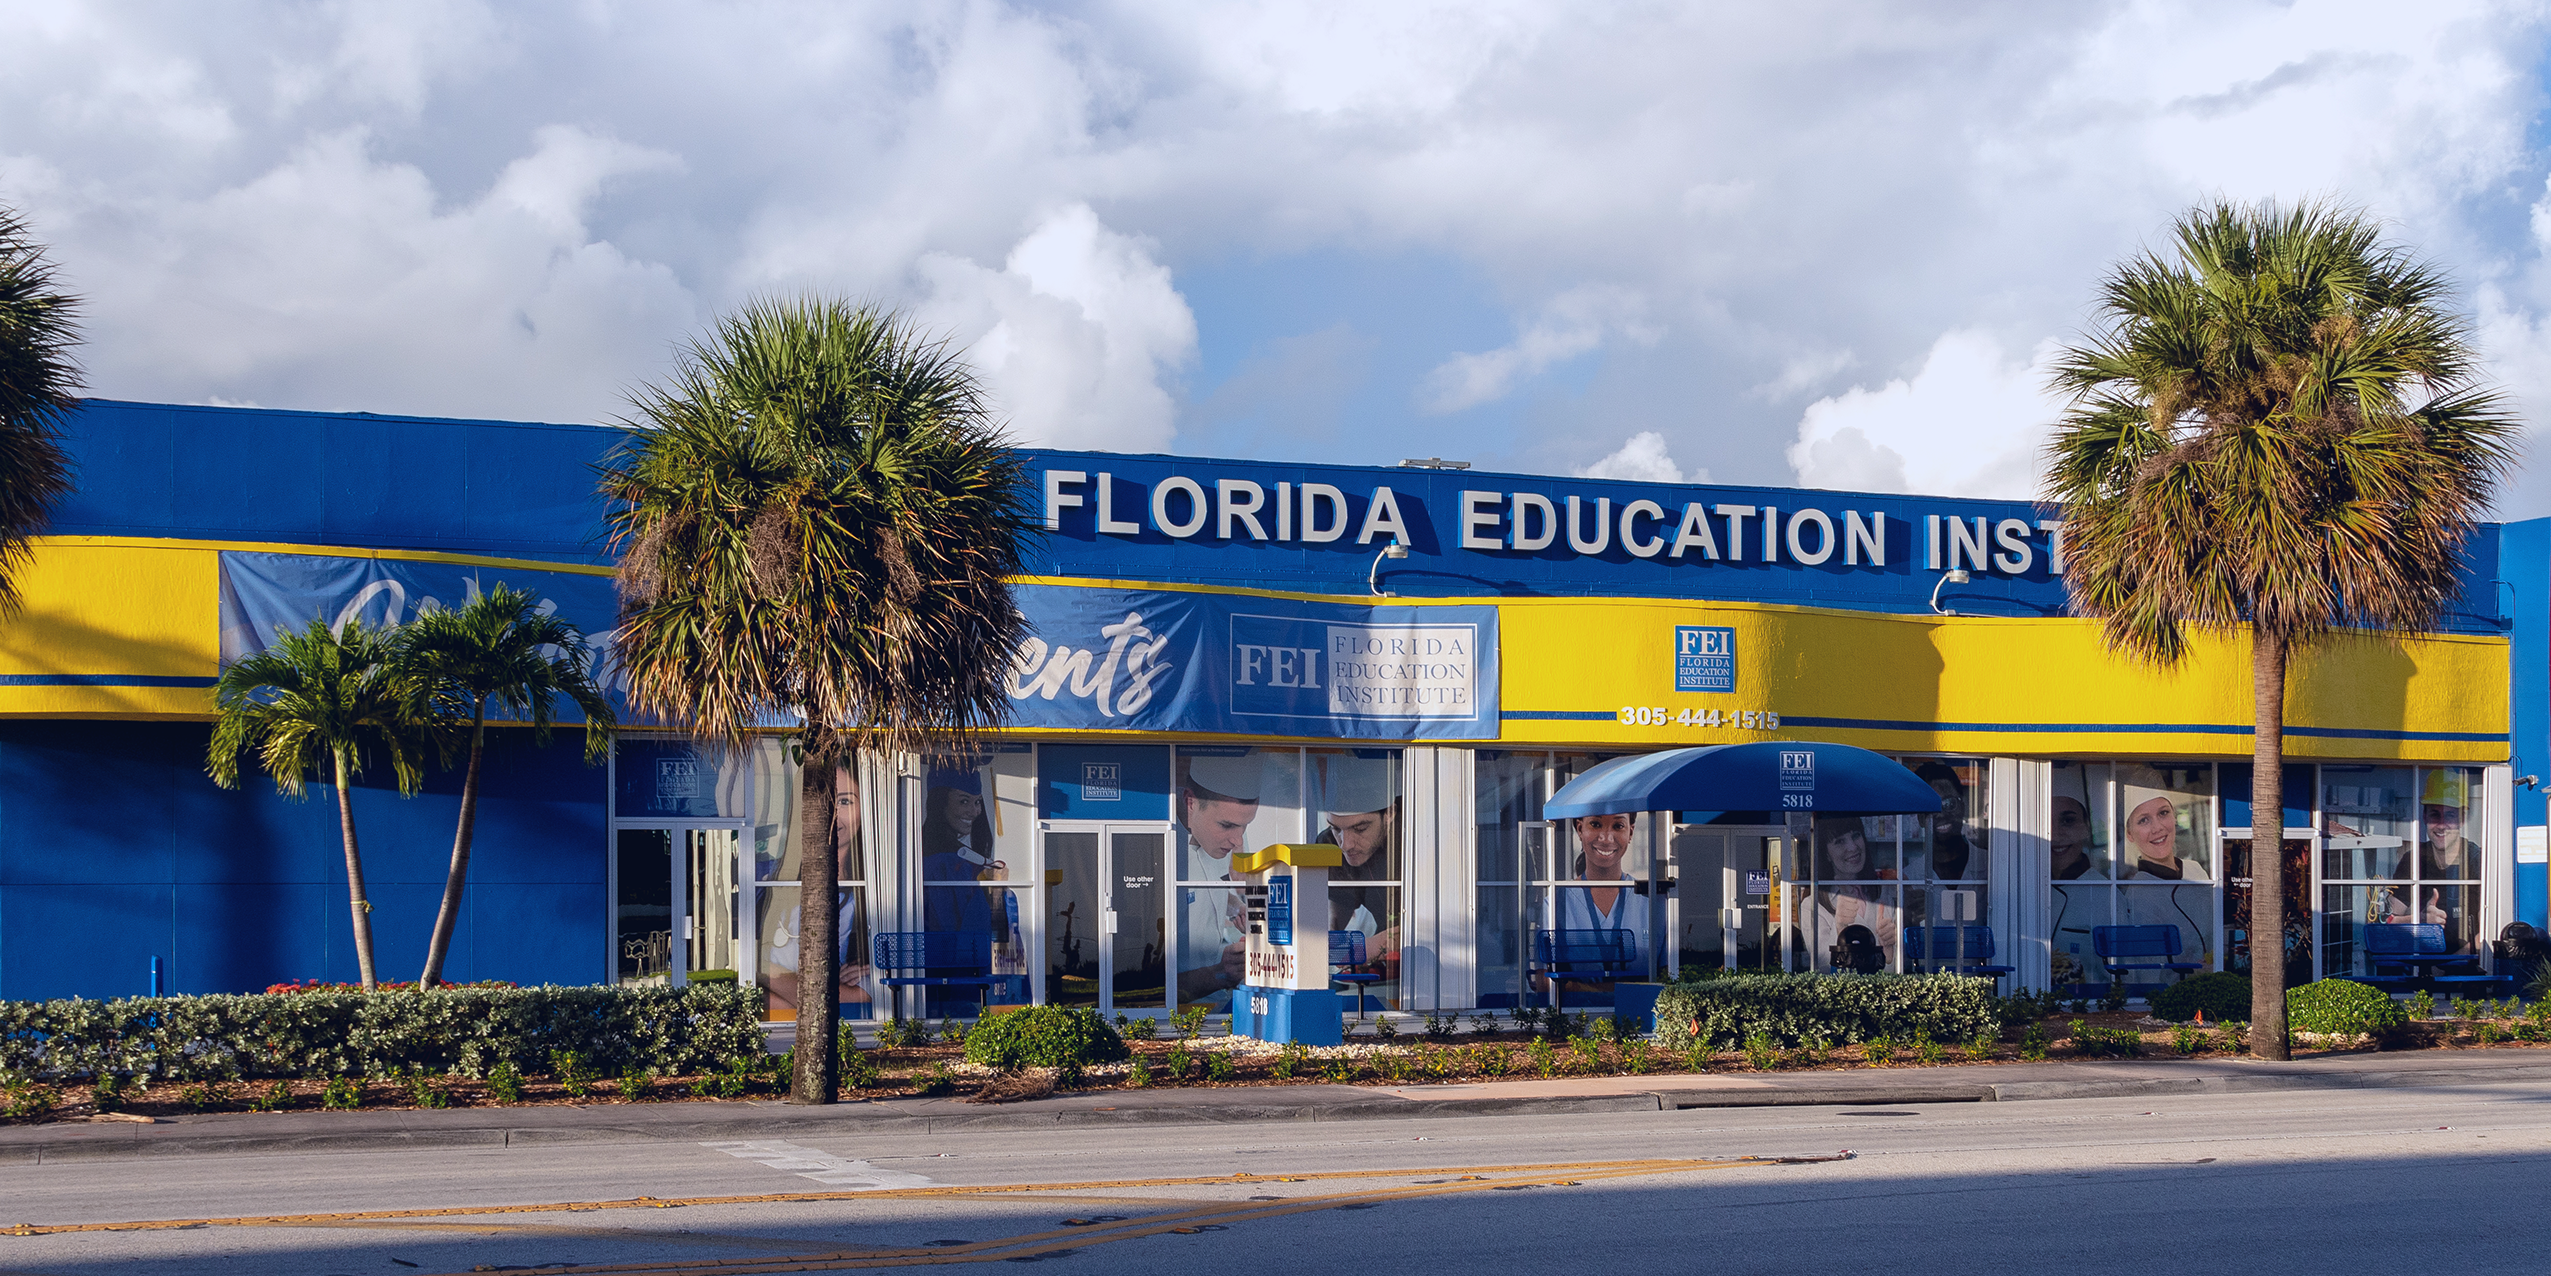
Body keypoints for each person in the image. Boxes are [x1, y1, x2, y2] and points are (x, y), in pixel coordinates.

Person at [762, 764, 873, 1020]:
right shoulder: (769, 882)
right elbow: (749, 972)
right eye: (819, 801)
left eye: (845, 801)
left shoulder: (875, 891)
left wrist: (767, 974)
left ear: (865, 809)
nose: (830, 814)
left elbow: (865, 995)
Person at [1173, 753, 1263, 1006]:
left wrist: (1237, 908)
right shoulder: (1158, 848)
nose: (1237, 841)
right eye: (1226, 825)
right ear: (1190, 802)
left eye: (1245, 826)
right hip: (1175, 1005)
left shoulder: (1218, 840)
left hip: (1216, 997)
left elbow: (1209, 888)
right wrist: (1220, 972)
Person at [1319, 759, 1401, 1005]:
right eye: (1336, 829)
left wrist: (1367, 947)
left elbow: (1435, 926)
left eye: (1360, 828)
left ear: (1390, 813)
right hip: (1386, 973)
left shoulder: (1418, 836)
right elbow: (1336, 922)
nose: (1346, 845)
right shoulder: (1329, 844)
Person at [2115, 775, 2210, 972]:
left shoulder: (2195, 870)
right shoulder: (2137, 896)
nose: (2157, 828)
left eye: (2163, 813)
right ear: (2130, 834)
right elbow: (2147, 970)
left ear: (2174, 817)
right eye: (2144, 820)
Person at [2384, 770, 2478, 951]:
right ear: (2425, 817)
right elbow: (2388, 922)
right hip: (2419, 961)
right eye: (2435, 814)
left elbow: (2489, 932)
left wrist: (2454, 962)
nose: (2442, 825)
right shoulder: (2413, 860)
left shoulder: (2477, 861)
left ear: (2462, 820)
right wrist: (2420, 920)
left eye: (2450, 816)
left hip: (2468, 964)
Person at [1552, 810, 1651, 981]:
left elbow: (1668, 977)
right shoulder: (1556, 903)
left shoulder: (1651, 901)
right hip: (1580, 1003)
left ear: (1630, 832)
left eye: (1618, 826)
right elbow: (1545, 983)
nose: (1606, 838)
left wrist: (1581, 987)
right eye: (1596, 824)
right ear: (1580, 829)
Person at [1811, 815, 1898, 964]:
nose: (1852, 847)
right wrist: (1840, 928)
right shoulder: (1811, 905)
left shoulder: (1884, 892)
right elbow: (1821, 966)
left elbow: (1899, 965)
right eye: (1839, 841)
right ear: (1826, 854)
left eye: (1856, 835)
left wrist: (1889, 951)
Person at [1912, 762, 1976, 882]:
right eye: (1931, 806)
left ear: (1962, 807)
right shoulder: (1908, 878)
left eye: (1949, 803)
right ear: (1920, 818)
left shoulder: (1990, 863)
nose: (1941, 814)